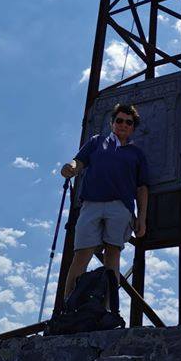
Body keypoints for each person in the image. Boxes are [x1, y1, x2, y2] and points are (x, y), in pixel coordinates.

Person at [61, 103, 149, 299]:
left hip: (121, 207)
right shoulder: (96, 142)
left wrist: (141, 217)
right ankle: (66, 307)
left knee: (112, 255)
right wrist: (71, 166)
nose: (123, 125)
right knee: (81, 254)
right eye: (119, 120)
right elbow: (79, 161)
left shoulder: (137, 154)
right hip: (91, 204)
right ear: (112, 123)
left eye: (128, 122)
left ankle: (109, 309)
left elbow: (142, 187)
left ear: (133, 127)